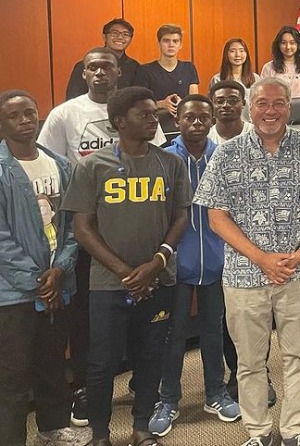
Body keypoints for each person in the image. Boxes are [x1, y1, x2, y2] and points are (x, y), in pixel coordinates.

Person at [195, 77, 300, 446]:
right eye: (262, 103)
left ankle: (293, 431)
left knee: (297, 357)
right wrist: (262, 259)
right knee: (249, 362)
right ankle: (257, 432)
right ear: (249, 108)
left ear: (290, 108)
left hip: (299, 272)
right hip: (244, 276)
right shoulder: (226, 153)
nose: (270, 111)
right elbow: (216, 217)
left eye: (278, 103)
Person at [39, 49, 165, 426]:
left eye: (105, 66)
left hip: (136, 221)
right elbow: (53, 164)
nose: (97, 72)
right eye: (90, 67)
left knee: (145, 316)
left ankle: (141, 386)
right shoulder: (65, 114)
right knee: (87, 319)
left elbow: (155, 154)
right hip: (88, 228)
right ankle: (84, 389)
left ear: (118, 72)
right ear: (83, 73)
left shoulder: (140, 110)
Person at [61, 87, 192, 446]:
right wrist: (125, 272)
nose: (154, 119)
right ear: (120, 122)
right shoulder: (92, 166)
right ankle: (101, 434)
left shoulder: (170, 162)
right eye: (145, 114)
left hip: (158, 279)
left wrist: (157, 262)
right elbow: (82, 228)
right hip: (108, 284)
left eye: (155, 114)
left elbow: (180, 216)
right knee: (102, 365)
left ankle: (141, 428)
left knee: (151, 358)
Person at [0, 89, 88, 446]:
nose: (25, 120)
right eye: (14, 115)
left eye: (30, 113)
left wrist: (60, 271)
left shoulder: (60, 165)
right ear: (2, 123)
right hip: (14, 291)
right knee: (14, 374)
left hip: (58, 284)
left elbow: (72, 227)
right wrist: (38, 279)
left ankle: (53, 428)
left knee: (52, 363)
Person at [150, 95, 240, 437]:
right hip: (175, 262)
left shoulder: (224, 156)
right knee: (173, 336)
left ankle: (215, 393)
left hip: (217, 260)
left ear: (212, 119)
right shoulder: (164, 159)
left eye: (204, 117)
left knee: (214, 330)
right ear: (178, 121)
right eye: (190, 117)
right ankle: (168, 399)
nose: (197, 123)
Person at [135, 24, 201, 116]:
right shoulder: (145, 70)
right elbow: (140, 104)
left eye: (175, 41)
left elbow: (194, 100)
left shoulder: (189, 67)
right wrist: (161, 104)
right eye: (166, 41)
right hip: (155, 122)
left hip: (184, 121)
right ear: (159, 44)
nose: (171, 45)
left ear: (180, 45)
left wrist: (183, 104)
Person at [65, 19, 139, 100]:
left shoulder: (134, 66)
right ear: (104, 37)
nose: (120, 37)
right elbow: (73, 98)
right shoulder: (85, 65)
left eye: (126, 34)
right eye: (115, 33)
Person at [260, 26, 300, 99]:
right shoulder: (268, 67)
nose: (288, 47)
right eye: (283, 43)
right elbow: (264, 94)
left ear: (298, 44)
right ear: (278, 45)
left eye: (292, 43)